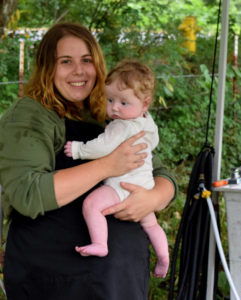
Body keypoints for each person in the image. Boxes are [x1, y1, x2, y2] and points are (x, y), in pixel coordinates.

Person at [0, 22, 177, 300]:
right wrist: (108, 166)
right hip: (56, 278)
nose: (79, 71)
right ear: (47, 68)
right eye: (66, 61)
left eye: (86, 60)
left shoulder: (111, 111)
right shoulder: (29, 117)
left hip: (118, 278)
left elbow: (160, 173)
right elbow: (28, 194)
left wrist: (153, 199)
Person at [64, 59, 169, 278]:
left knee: (91, 205)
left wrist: (78, 150)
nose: (114, 108)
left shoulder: (120, 126)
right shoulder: (147, 122)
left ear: (145, 103)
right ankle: (163, 256)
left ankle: (100, 243)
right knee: (150, 224)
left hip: (122, 185)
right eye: (110, 99)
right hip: (145, 186)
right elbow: (154, 144)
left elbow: (102, 147)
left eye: (124, 103)